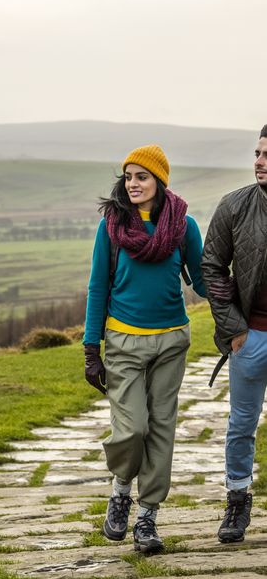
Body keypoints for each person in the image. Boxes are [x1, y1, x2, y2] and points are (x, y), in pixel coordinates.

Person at [83, 144, 206, 553]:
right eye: (129, 177)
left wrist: (236, 310)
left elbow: (203, 281)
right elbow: (98, 285)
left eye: (142, 177)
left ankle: (148, 517)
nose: (133, 184)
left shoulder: (184, 226)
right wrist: (90, 349)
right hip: (123, 341)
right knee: (133, 427)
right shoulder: (112, 227)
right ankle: (120, 489)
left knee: (161, 430)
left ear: (159, 181)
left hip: (172, 340)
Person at [201, 124, 267, 544]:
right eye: (258, 153)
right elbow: (211, 267)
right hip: (251, 337)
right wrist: (233, 330)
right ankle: (237, 502)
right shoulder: (234, 206)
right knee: (241, 424)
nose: (259, 162)